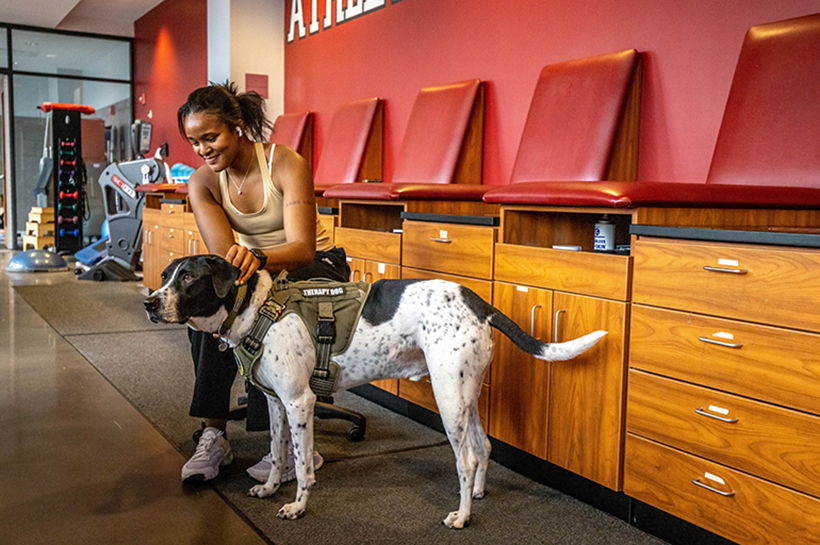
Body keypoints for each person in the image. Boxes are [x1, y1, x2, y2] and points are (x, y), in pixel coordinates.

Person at [176, 82, 349, 483]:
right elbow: (223, 261)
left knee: (267, 308)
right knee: (211, 306)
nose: (202, 149)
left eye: (210, 137)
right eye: (194, 141)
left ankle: (287, 446)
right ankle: (213, 434)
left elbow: (304, 247)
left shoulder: (285, 163)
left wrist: (257, 259)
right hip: (257, 269)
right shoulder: (202, 183)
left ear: (237, 127)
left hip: (314, 266)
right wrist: (237, 274)